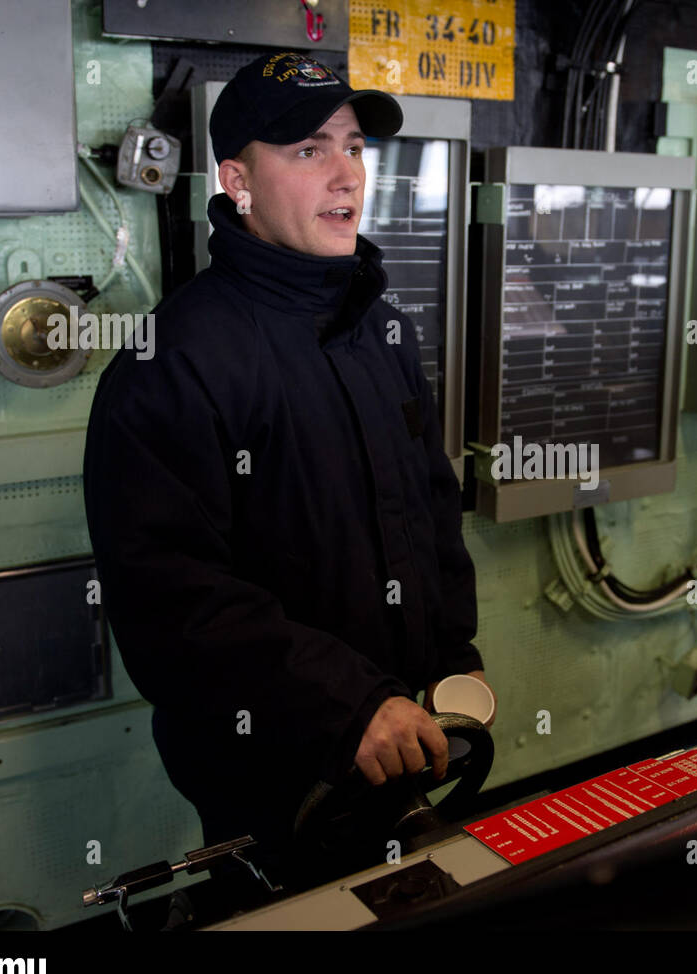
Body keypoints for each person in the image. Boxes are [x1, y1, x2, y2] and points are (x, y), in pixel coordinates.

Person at [82, 51, 486, 890]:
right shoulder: (178, 360)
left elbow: (429, 509)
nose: (345, 173)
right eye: (308, 150)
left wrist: (455, 654)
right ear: (237, 180)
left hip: (408, 735)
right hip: (277, 766)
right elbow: (173, 600)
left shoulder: (383, 331)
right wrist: (348, 706)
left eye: (354, 146)